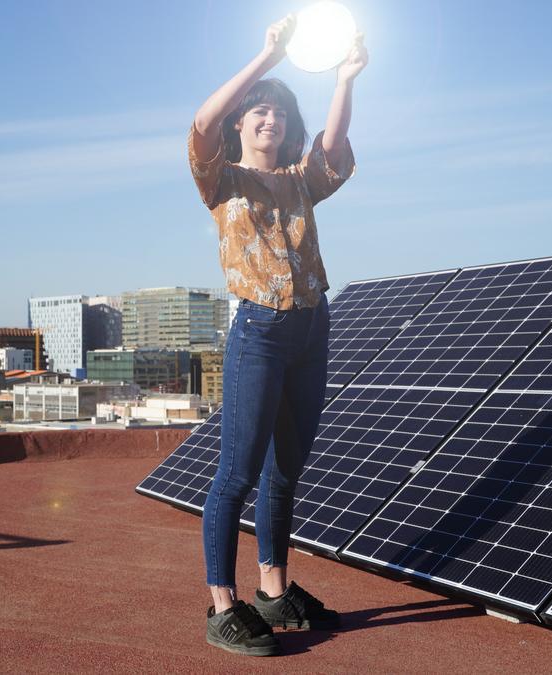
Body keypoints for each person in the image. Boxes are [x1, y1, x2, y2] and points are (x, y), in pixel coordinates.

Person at [188, 14, 368, 656]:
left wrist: (344, 78)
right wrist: (266, 59)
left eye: (280, 116)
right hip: (259, 332)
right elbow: (203, 126)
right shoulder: (221, 181)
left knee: (286, 470)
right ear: (243, 121)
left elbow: (333, 151)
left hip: (311, 326)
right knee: (237, 472)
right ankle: (222, 605)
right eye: (259, 113)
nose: (271, 121)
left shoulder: (299, 184)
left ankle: (274, 589)